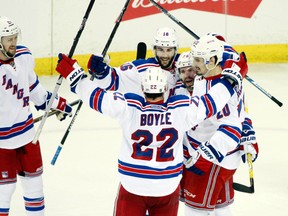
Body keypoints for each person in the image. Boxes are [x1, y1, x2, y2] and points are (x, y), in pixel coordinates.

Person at [55, 52, 248, 216]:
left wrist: (75, 76)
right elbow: (212, 101)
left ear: (142, 89)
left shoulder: (128, 107)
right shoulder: (180, 110)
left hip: (132, 185)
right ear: (165, 89)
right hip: (167, 186)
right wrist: (232, 77)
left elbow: (95, 97)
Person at [0, 16, 72, 216]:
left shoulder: (24, 56)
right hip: (2, 144)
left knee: (35, 188)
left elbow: (35, 91)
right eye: (8, 39)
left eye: (15, 37)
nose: (13, 42)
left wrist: (58, 104)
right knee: (3, 192)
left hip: (27, 137)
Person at [180, 34, 259, 216]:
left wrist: (204, 158)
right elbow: (228, 49)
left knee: (194, 209)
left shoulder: (221, 90)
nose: (193, 64)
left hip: (215, 157)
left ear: (212, 60)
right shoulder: (221, 69)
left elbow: (230, 129)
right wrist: (215, 39)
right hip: (213, 153)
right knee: (220, 207)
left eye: (198, 60)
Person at [87, 27, 180, 99]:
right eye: (160, 49)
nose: (165, 55)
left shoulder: (184, 64)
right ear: (154, 50)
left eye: (169, 50)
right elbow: (113, 80)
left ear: (176, 50)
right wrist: (101, 71)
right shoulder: (140, 69)